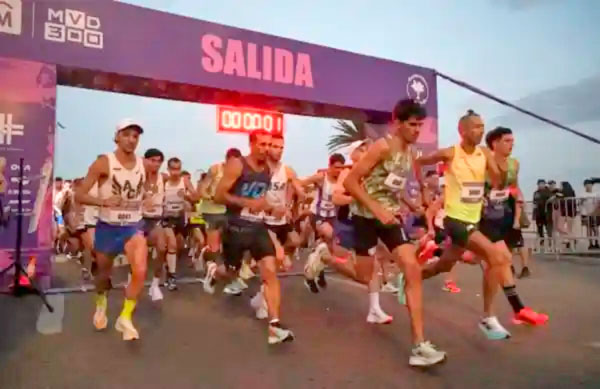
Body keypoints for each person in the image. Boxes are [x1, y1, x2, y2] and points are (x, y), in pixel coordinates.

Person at [417, 111, 548, 342]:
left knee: (445, 265)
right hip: (455, 220)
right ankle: (489, 317)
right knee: (497, 258)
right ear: (463, 130)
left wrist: (496, 169)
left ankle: (411, 277)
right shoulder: (451, 152)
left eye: (482, 126)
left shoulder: (484, 154)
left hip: (475, 218)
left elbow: (498, 182)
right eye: (476, 126)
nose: (480, 130)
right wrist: (423, 190)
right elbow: (419, 162)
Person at [345, 99, 446, 367]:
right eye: (412, 125)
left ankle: (419, 344)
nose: (417, 130)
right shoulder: (382, 147)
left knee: (411, 268)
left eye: (420, 126)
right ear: (397, 123)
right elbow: (350, 182)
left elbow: (394, 185)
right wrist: (376, 208)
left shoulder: (411, 153)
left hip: (389, 217)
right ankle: (326, 257)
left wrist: (410, 205)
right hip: (364, 216)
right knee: (364, 276)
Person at [212, 129, 294, 345]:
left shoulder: (267, 169)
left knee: (270, 270)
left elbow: (259, 198)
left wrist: (271, 208)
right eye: (262, 144)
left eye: (269, 145)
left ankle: (275, 325)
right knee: (231, 272)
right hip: (235, 227)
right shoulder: (238, 165)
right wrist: (247, 203)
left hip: (257, 227)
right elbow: (219, 196)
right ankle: (214, 270)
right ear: (251, 144)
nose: (266, 149)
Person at [75, 119, 148, 341]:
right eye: (127, 134)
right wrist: (103, 202)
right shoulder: (103, 162)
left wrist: (148, 200)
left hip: (133, 227)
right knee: (103, 276)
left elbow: (142, 191)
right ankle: (101, 303)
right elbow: (79, 195)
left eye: (135, 136)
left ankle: (124, 317)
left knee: (141, 270)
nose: (131, 140)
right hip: (108, 227)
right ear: (116, 137)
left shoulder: (143, 164)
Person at [250, 132, 304, 319]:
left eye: (282, 147)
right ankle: (263, 304)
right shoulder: (259, 170)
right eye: (275, 146)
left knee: (295, 241)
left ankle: (260, 295)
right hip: (263, 221)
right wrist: (269, 207)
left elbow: (294, 187)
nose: (278, 151)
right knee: (273, 261)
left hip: (281, 221)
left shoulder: (287, 170)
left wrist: (291, 204)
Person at [483, 127, 530, 278]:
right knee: (481, 253)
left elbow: (514, 188)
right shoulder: (483, 161)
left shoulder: (514, 164)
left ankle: (510, 271)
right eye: (507, 141)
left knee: (510, 245)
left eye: (512, 141)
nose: (511, 145)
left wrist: (517, 216)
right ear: (495, 143)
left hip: (507, 208)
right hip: (486, 211)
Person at [199, 148, 241, 294]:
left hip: (228, 212)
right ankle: (211, 266)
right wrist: (212, 197)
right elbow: (202, 189)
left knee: (231, 245)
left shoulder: (238, 173)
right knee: (215, 247)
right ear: (226, 159)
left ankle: (225, 274)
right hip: (212, 211)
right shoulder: (216, 169)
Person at [161, 157, 199, 291]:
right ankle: (172, 277)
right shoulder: (164, 181)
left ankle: (168, 267)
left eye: (178, 169)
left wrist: (187, 196)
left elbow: (196, 198)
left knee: (177, 247)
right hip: (167, 217)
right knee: (171, 244)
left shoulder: (185, 181)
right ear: (168, 169)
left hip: (180, 218)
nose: (175, 172)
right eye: (173, 169)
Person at [141, 148, 168, 301]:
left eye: (159, 161)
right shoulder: (137, 176)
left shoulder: (163, 178)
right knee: (138, 254)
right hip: (139, 219)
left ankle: (155, 284)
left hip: (155, 219)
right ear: (145, 160)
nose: (156, 164)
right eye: (153, 160)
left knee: (162, 247)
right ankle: (133, 278)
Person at [532, 179, 552, 249]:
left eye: (542, 184)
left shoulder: (548, 191)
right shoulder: (536, 193)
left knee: (548, 228)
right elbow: (534, 202)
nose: (541, 185)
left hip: (547, 213)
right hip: (538, 213)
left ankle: (550, 242)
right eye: (540, 184)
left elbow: (551, 200)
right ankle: (541, 240)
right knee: (539, 228)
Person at [581, 179, 599, 250]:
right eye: (586, 185)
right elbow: (579, 203)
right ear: (584, 186)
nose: (588, 186)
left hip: (595, 213)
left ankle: (597, 242)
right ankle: (590, 243)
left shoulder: (596, 194)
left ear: (592, 185)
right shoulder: (582, 194)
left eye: (589, 184)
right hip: (585, 213)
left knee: (595, 228)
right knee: (589, 229)